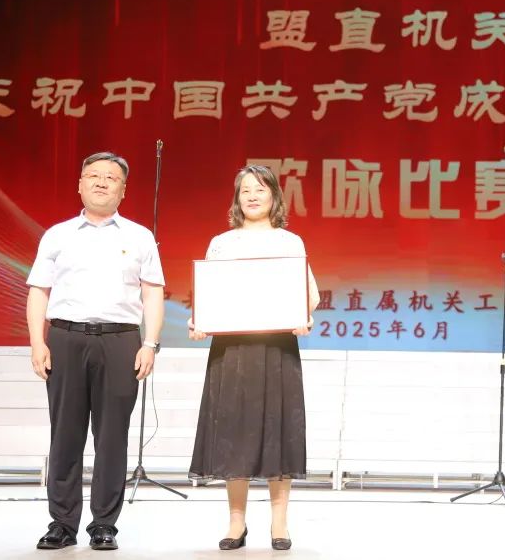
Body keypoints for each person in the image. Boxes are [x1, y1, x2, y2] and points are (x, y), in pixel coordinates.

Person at [26, 151, 165, 551]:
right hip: (66, 338)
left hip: (120, 341)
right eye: (93, 176)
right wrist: (37, 341)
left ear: (123, 189)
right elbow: (39, 291)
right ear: (80, 184)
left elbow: (153, 293)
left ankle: (104, 524)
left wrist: (150, 343)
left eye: (111, 177)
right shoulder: (58, 235)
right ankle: (62, 523)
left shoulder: (139, 236)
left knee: (112, 437)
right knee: (65, 434)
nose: (102, 182)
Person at [187, 164, 318, 551]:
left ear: (275, 196)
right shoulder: (222, 243)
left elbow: (309, 293)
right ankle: (236, 522)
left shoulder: (289, 242)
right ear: (237, 199)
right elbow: (209, 294)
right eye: (245, 190)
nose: (252, 196)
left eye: (260, 189)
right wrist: (199, 321)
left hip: (277, 348)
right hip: (232, 350)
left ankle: (279, 523)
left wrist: (302, 317)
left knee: (279, 430)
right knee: (233, 431)